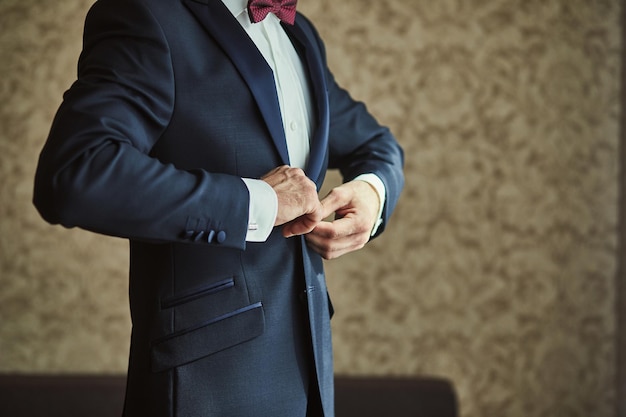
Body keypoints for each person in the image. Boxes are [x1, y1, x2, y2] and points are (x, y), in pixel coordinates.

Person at [33, 0, 404, 415]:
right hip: (207, 384)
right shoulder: (146, 15)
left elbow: (377, 145)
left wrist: (373, 193)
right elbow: (76, 174)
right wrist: (258, 201)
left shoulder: (301, 36)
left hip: (310, 376)